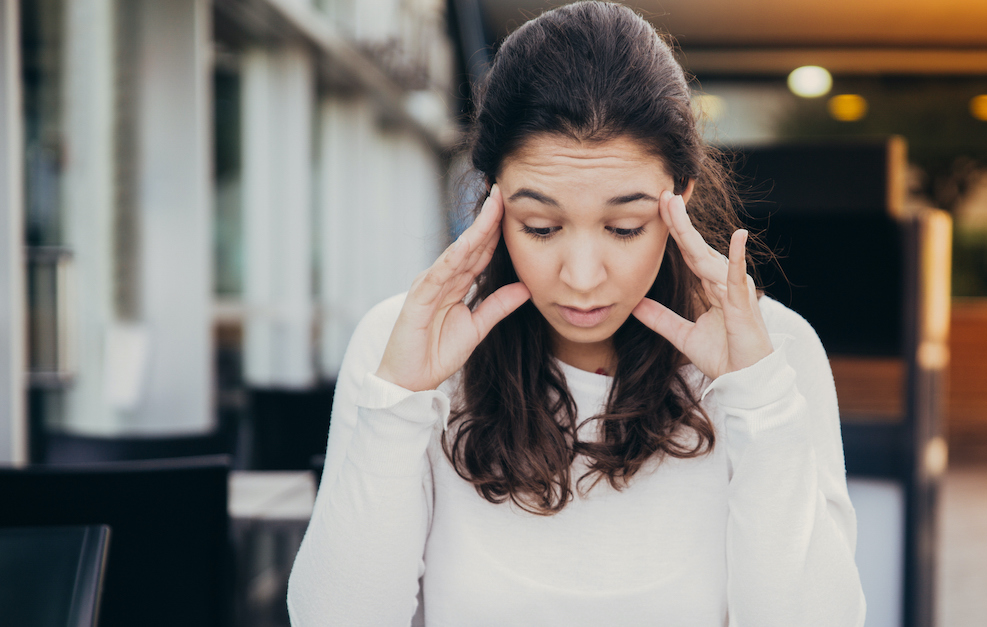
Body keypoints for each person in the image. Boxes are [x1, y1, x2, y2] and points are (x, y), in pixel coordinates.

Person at [287, 2, 866, 625]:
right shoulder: (407, 342)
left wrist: (758, 399)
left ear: (681, 198)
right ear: (492, 198)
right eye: (541, 226)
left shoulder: (772, 349)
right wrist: (397, 403)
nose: (583, 278)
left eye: (624, 227)